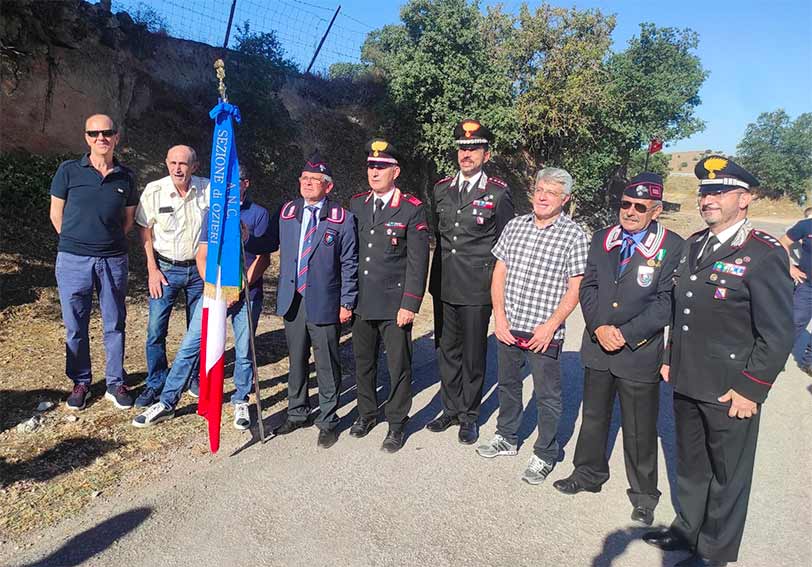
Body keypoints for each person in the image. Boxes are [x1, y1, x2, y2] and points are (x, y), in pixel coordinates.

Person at [643, 156, 794, 567]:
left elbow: (778, 332)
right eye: (704, 192)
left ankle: (714, 552)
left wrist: (752, 388)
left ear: (744, 199)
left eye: (718, 192)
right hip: (690, 376)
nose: (707, 199)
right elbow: (682, 311)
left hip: (732, 384)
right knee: (692, 463)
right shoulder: (693, 244)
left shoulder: (761, 253)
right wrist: (671, 358)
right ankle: (686, 529)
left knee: (728, 474)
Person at [553, 173, 685, 526]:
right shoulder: (602, 239)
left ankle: (643, 495)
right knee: (594, 416)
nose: (629, 211)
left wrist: (625, 334)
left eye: (639, 207)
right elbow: (589, 285)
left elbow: (665, 303)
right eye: (625, 204)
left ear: (655, 211)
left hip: (638, 350)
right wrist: (598, 326)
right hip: (599, 345)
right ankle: (587, 474)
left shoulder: (672, 246)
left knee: (640, 427)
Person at [132, 163, 270, 430]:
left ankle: (241, 399)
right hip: (215, 292)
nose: (232, 187)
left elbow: (263, 259)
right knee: (189, 346)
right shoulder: (213, 214)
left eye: (237, 181)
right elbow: (202, 255)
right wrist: (218, 288)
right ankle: (167, 401)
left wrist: (237, 289)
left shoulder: (259, 214)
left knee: (243, 351)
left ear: (246, 183)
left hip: (247, 293)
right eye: (227, 183)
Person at [477, 167, 588, 485]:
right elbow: (500, 271)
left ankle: (546, 453)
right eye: (540, 189)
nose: (542, 196)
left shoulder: (573, 235)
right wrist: (499, 315)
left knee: (547, 395)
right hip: (509, 325)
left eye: (551, 192)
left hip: (544, 331)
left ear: (565, 199)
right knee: (508, 385)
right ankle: (506, 437)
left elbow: (575, 287)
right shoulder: (515, 226)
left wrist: (551, 326)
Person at [258, 152, 358, 449]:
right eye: (305, 178)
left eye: (315, 180)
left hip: (326, 300)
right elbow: (266, 243)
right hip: (293, 299)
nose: (308, 184)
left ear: (328, 186)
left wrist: (347, 302)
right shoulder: (288, 212)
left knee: (326, 362)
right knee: (297, 358)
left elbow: (349, 263)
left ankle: (328, 419)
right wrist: (244, 234)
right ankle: (297, 411)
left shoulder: (342, 219)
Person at [427, 119, 515, 444]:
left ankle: (469, 415)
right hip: (444, 284)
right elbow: (437, 235)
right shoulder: (441, 189)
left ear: (486, 155)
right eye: (463, 148)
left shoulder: (498, 193)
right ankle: (449, 409)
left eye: (474, 149)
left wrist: (502, 293)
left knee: (473, 354)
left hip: (478, 288)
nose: (467, 154)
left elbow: (507, 247)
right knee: (446, 350)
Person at [49, 114, 138, 411]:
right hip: (73, 260)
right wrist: (77, 242)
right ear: (86, 137)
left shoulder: (126, 177)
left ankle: (115, 382)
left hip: (112, 260)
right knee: (75, 324)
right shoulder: (68, 171)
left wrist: (104, 243)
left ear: (116, 136)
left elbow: (127, 221)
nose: (101, 137)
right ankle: (81, 382)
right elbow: (56, 214)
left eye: (107, 132)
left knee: (115, 322)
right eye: (94, 133)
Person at [347, 139, 430, 453]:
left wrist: (410, 303)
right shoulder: (356, 204)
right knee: (363, 362)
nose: (374, 171)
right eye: (371, 165)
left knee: (398, 366)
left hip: (395, 304)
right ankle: (367, 413)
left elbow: (418, 260)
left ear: (396, 171)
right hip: (362, 302)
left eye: (381, 166)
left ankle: (397, 423)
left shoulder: (411, 207)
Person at [134, 145, 210, 407]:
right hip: (165, 269)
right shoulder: (154, 191)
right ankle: (156, 382)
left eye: (184, 164)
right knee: (156, 330)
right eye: (173, 163)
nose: (178, 168)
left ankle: (194, 378)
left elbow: (225, 214)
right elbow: (144, 231)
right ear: (166, 163)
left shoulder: (207, 189)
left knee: (199, 329)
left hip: (199, 270)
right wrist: (152, 270)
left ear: (195, 166)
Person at [779, 207, 812, 376]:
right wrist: (790, 266)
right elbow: (782, 242)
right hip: (807, 286)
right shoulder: (806, 225)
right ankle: (777, 358)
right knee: (794, 323)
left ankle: (810, 363)